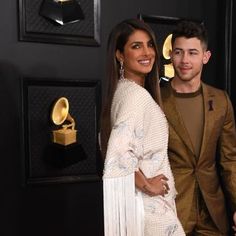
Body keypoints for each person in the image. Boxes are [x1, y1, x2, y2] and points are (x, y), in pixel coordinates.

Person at [100, 18, 185, 236]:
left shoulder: (122, 91)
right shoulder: (135, 97)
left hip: (145, 206)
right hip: (150, 208)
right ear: (120, 55)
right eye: (136, 46)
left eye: (149, 45)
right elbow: (119, 154)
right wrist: (148, 185)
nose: (147, 52)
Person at [161, 20, 236, 235]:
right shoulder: (155, 100)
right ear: (171, 55)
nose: (185, 60)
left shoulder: (221, 100)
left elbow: (230, 160)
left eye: (192, 53)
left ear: (205, 56)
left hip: (213, 214)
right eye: (178, 52)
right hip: (171, 210)